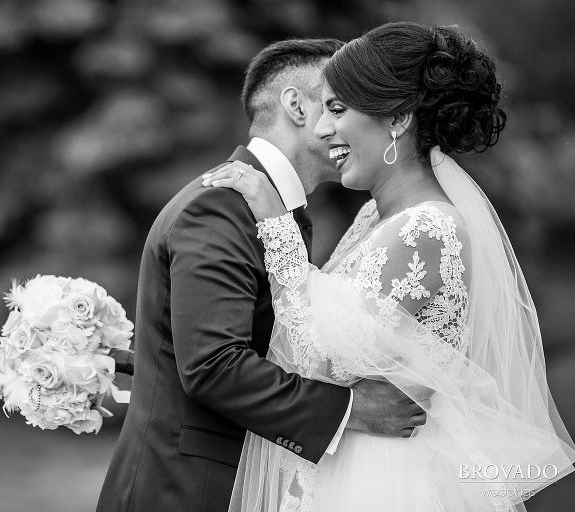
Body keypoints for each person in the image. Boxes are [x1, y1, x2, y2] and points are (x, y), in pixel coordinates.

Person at [206, 22, 575, 512]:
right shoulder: (378, 219)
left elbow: (315, 350)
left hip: (384, 479)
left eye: (337, 110)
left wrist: (275, 224)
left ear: (398, 118)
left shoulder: (427, 228)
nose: (322, 129)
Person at [96, 39, 427, 512]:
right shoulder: (222, 206)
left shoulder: (276, 213)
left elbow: (217, 342)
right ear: (295, 105)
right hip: (185, 490)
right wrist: (353, 409)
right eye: (335, 105)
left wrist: (126, 360)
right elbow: (213, 365)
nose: (346, 124)